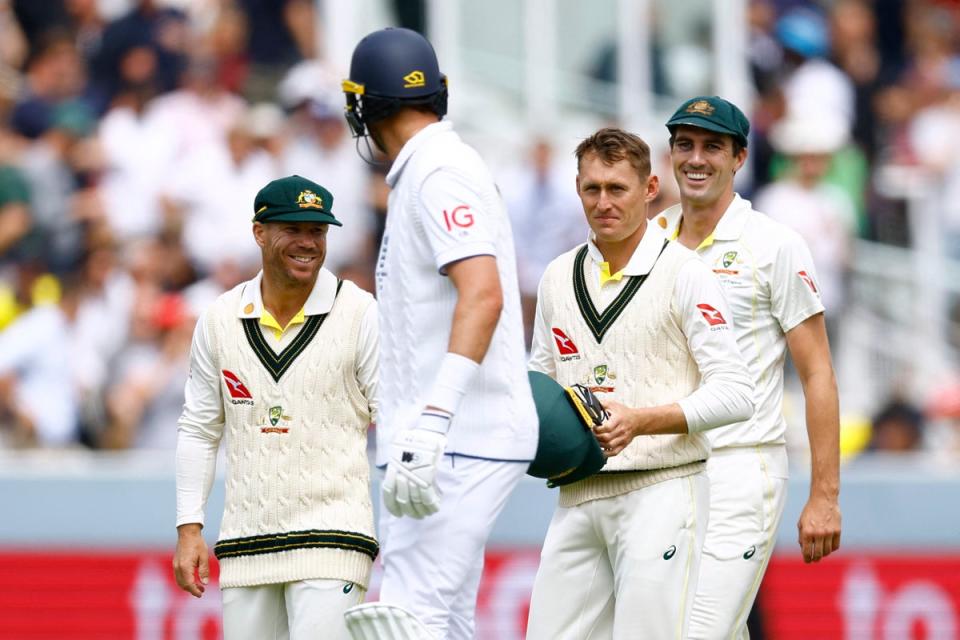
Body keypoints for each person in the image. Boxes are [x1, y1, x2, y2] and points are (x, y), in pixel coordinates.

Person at [341, 27, 538, 639]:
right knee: (441, 624)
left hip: (458, 438)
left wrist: (433, 421)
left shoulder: (440, 172)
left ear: (366, 104)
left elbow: (483, 295)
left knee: (407, 621)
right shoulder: (426, 170)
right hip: (449, 438)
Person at [525, 127, 755, 639]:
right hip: (578, 492)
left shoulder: (685, 273)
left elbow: (737, 391)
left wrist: (642, 421)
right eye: (592, 189)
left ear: (650, 189)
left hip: (663, 488)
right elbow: (540, 383)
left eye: (617, 189)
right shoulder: (557, 277)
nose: (603, 202)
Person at [656, 95, 842, 638]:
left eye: (712, 147)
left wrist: (825, 496)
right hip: (666, 470)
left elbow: (817, 373)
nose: (696, 159)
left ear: (739, 158)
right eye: (685, 145)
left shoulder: (774, 244)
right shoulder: (651, 238)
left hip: (744, 465)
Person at [172, 175, 379, 640]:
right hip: (246, 541)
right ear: (259, 232)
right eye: (294, 229)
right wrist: (189, 528)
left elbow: (394, 417)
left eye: (318, 231)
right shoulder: (220, 319)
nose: (308, 243)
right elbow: (199, 430)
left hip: (335, 537)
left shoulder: (361, 312)